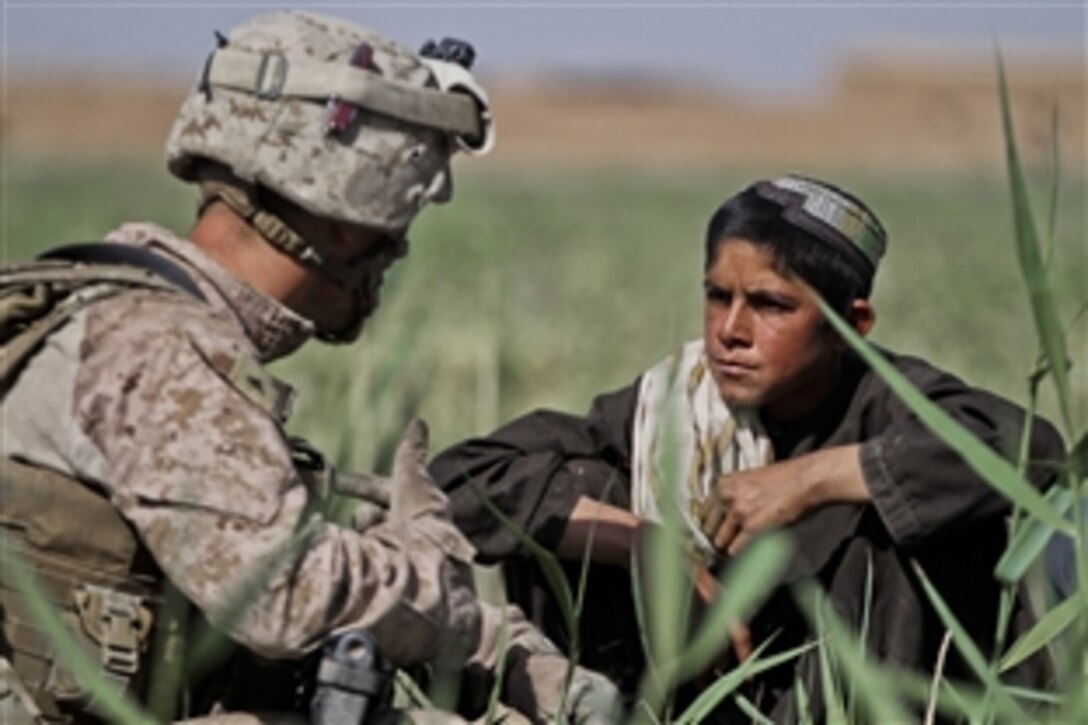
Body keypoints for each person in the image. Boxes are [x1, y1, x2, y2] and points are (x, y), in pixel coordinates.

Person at [0, 10, 620, 724]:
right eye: (400, 218)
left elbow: (267, 546)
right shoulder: (154, 348)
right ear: (347, 216)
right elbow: (286, 592)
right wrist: (431, 566)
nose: (400, 250)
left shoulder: (116, 309)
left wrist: (496, 647)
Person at [432, 174, 1065, 720]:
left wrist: (811, 481)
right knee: (576, 487)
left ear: (853, 324)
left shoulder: (891, 399)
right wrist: (647, 546)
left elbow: (1027, 448)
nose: (731, 331)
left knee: (909, 509)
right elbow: (460, 481)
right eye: (717, 296)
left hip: (858, 700)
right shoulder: (674, 404)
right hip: (700, 699)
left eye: (770, 305)